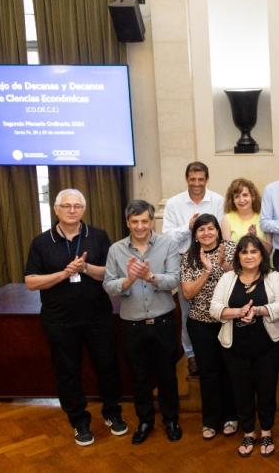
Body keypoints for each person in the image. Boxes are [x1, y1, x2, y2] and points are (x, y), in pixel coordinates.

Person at [24, 189, 127, 446]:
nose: (72, 210)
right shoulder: (41, 242)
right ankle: (79, 420)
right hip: (59, 321)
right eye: (67, 206)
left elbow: (111, 275)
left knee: (107, 366)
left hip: (97, 317)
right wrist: (63, 273)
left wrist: (85, 268)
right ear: (56, 209)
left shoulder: (99, 237)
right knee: (67, 372)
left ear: (84, 209)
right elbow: (31, 282)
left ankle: (112, 413)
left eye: (77, 205)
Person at [103, 199, 182, 445]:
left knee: (167, 374)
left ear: (151, 221)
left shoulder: (168, 245)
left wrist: (150, 276)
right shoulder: (116, 249)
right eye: (134, 221)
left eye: (144, 221)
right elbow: (108, 284)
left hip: (163, 321)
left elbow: (174, 280)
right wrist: (128, 281)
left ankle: (171, 420)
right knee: (139, 376)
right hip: (132, 324)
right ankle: (145, 420)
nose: (139, 226)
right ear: (127, 222)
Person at [210, 234, 279, 458]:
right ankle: (249, 433)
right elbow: (214, 308)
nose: (249, 256)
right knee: (241, 392)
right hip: (235, 348)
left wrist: (261, 310)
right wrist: (237, 312)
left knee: (267, 391)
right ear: (238, 256)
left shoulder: (273, 277)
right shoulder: (227, 278)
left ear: (262, 255)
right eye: (244, 252)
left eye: (254, 251)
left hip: (268, 348)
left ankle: (267, 432)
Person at [163, 162, 225, 376]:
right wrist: (188, 228)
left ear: (206, 179)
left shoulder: (217, 200)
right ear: (186, 178)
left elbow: (221, 232)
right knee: (188, 309)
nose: (197, 183)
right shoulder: (174, 203)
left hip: (214, 259)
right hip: (185, 259)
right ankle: (191, 355)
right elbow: (167, 236)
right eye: (193, 179)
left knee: (217, 305)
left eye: (201, 179)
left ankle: (217, 349)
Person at [180, 213, 238, 440]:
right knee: (209, 372)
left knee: (230, 370)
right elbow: (187, 293)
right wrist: (206, 271)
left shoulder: (231, 248)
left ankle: (231, 417)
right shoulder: (189, 257)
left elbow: (242, 279)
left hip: (228, 319)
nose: (206, 233)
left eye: (210, 228)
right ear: (195, 235)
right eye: (201, 229)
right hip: (201, 323)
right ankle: (211, 420)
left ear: (217, 230)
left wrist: (223, 265)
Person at [221, 178, 270, 252]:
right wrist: (245, 239)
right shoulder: (227, 219)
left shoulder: (264, 217)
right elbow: (228, 253)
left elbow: (269, 250)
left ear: (252, 197)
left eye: (245, 195)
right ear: (232, 200)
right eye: (237, 196)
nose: (241, 200)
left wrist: (255, 238)